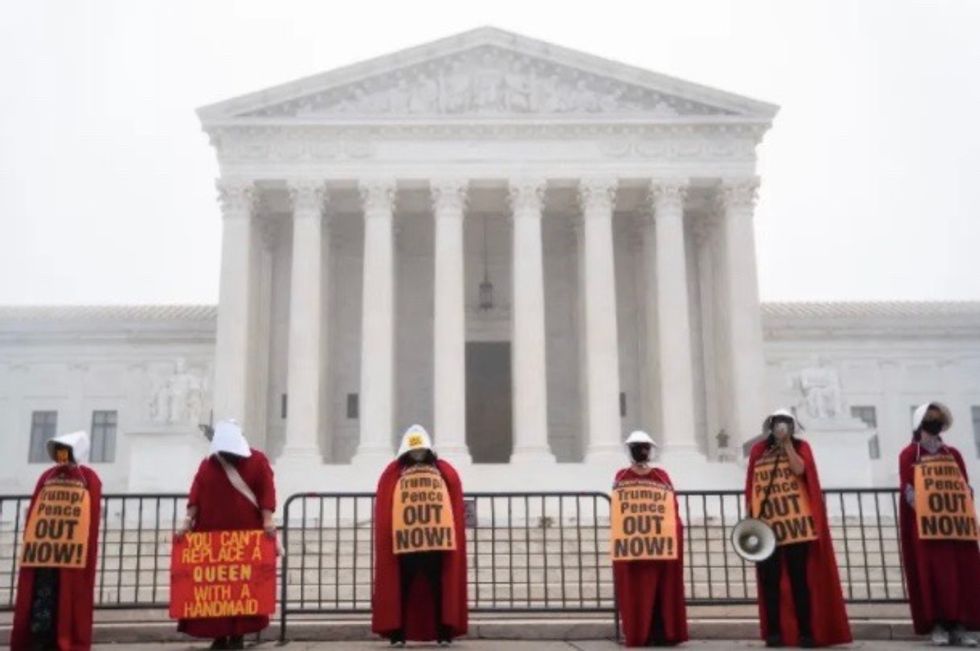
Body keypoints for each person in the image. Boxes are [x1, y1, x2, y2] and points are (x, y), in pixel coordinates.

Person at [745, 409, 851, 648]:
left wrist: (787, 445)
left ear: (793, 427)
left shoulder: (801, 447)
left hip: (796, 527)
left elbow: (800, 470)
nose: (781, 427)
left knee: (799, 581)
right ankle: (774, 633)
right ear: (770, 426)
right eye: (778, 423)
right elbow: (753, 485)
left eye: (786, 424)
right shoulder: (758, 451)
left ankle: (806, 632)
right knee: (770, 582)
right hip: (768, 527)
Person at [175, 420, 277, 650]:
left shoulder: (257, 461)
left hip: (245, 537)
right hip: (210, 534)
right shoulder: (208, 464)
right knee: (215, 588)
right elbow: (196, 492)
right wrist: (187, 521)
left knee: (242, 587)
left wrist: (267, 518)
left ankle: (237, 635)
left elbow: (266, 491)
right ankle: (219, 636)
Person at [372, 425, 467, 646]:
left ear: (428, 451)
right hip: (405, 543)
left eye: (421, 451)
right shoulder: (394, 472)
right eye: (414, 451)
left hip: (435, 543)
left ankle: (444, 632)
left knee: (437, 587)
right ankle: (398, 634)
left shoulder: (443, 470)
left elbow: (453, 498)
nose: (417, 455)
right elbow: (387, 504)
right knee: (403, 587)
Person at [11, 430, 102, 651]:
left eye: (66, 452)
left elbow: (91, 516)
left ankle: (62, 639)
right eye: (59, 452)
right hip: (44, 554)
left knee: (66, 597)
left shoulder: (88, 478)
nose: (61, 456)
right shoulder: (46, 476)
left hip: (70, 555)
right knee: (40, 595)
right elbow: (36, 508)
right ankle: (37, 638)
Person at [899, 402, 980, 647]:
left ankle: (960, 625)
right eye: (930, 418)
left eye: (937, 418)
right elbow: (908, 489)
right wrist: (928, 509)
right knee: (932, 575)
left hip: (954, 528)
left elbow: (964, 486)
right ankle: (938, 625)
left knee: (958, 575)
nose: (934, 422)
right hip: (927, 528)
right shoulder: (909, 454)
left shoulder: (952, 454)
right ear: (920, 422)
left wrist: (963, 497)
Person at [612, 430, 688, 647]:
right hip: (635, 547)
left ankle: (661, 632)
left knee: (661, 592)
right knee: (637, 592)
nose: (641, 450)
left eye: (644, 446)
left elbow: (671, 506)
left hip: (659, 545)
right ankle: (639, 632)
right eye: (637, 446)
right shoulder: (622, 476)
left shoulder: (661, 475)